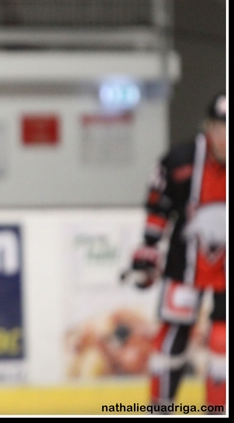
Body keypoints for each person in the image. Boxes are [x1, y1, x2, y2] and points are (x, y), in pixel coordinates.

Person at [129, 92, 226, 412]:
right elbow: (159, 205)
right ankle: (160, 408)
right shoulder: (181, 160)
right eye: (220, 129)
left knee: (223, 343)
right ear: (207, 127)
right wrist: (148, 248)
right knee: (171, 340)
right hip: (184, 264)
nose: (225, 138)